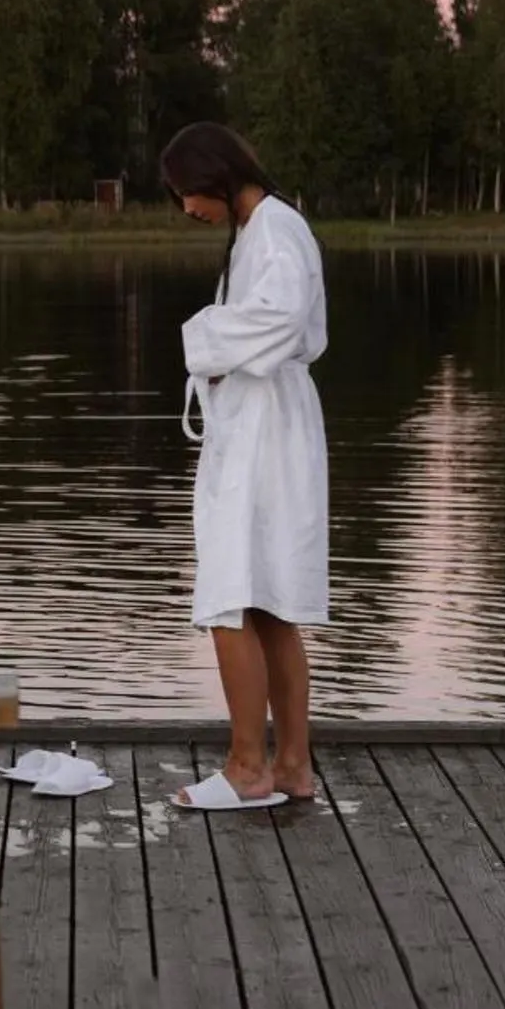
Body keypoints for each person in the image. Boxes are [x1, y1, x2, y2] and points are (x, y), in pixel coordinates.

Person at [159, 123, 329, 811]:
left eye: (185, 194)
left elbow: (282, 320)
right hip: (265, 427)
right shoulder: (265, 228)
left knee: (233, 595)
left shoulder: (278, 229)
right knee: (267, 601)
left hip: (267, 431)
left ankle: (247, 768)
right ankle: (290, 767)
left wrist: (202, 337)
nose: (186, 209)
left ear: (214, 176)